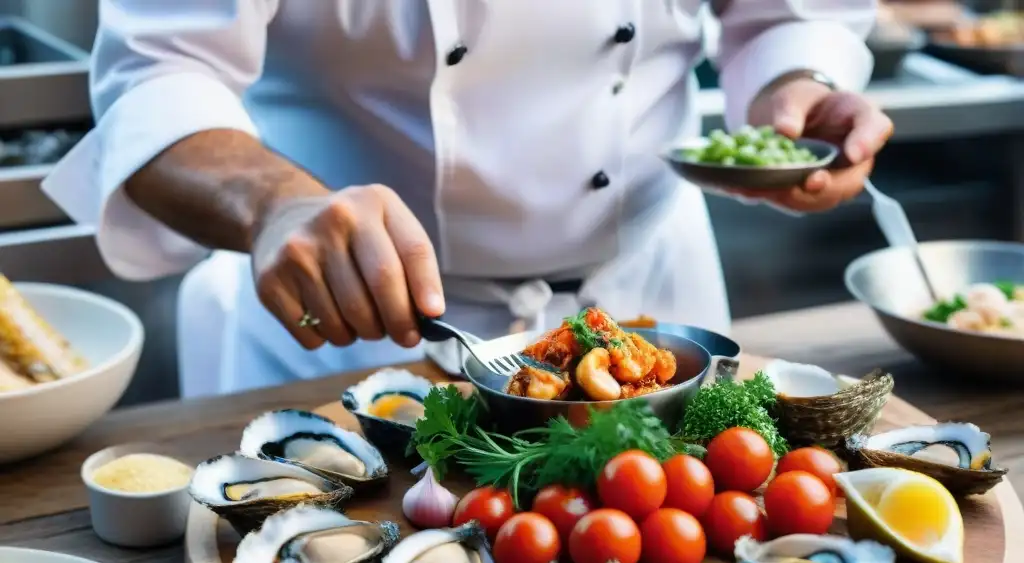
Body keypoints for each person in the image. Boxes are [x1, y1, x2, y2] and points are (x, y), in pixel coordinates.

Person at [43, 0, 892, 397]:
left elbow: (784, 10)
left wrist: (798, 85)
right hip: (342, 329)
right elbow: (156, 75)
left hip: (653, 304)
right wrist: (274, 204)